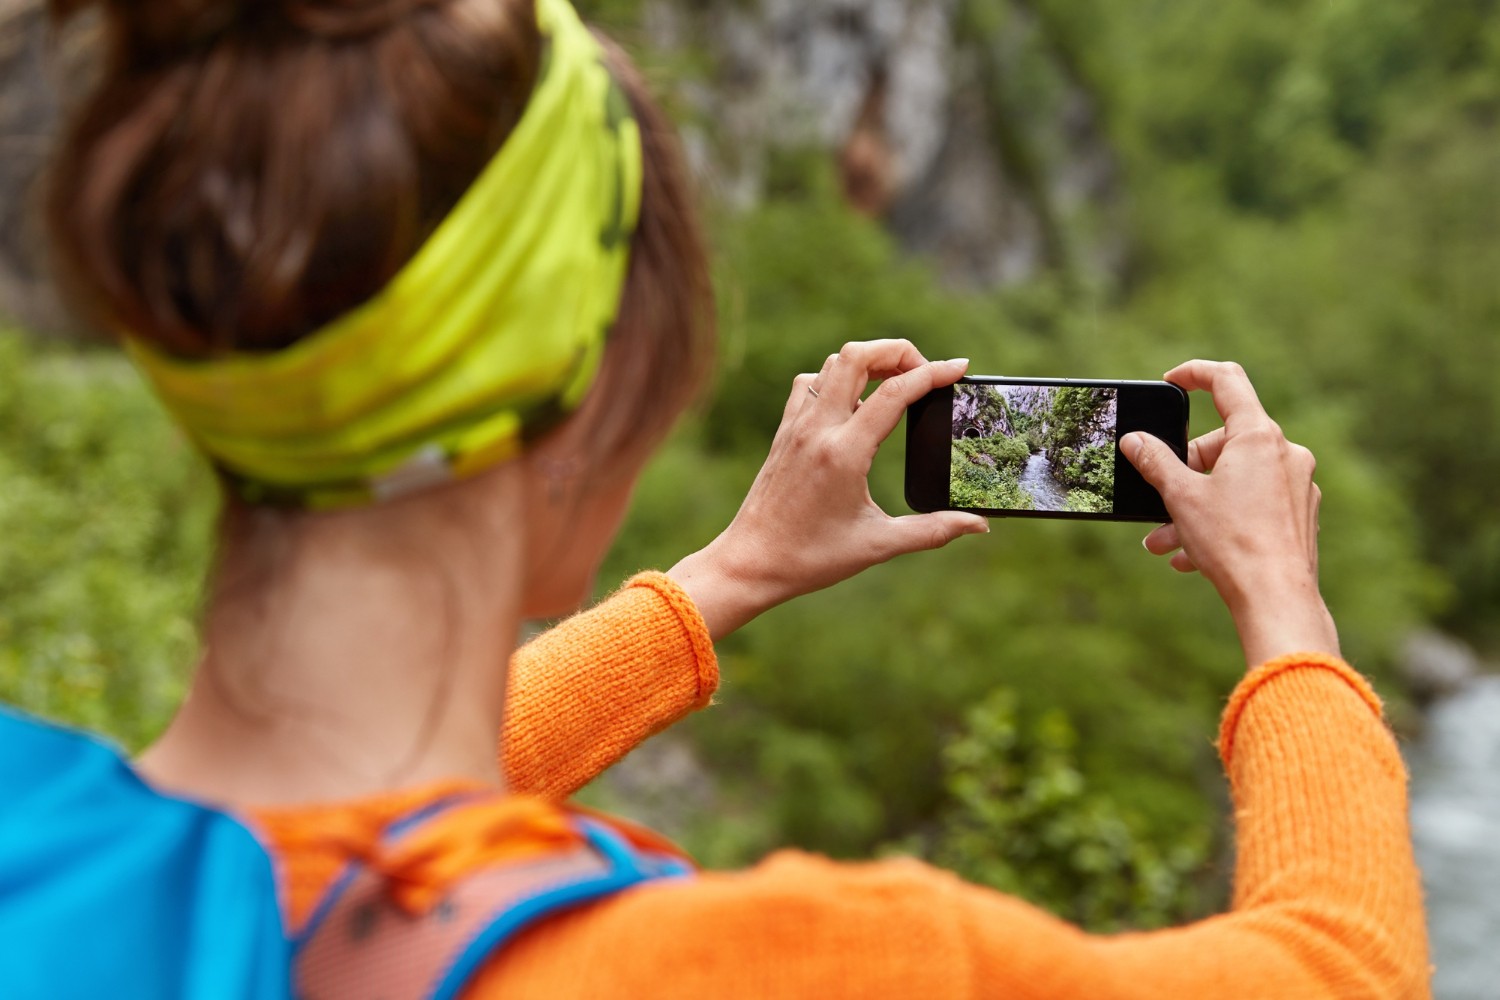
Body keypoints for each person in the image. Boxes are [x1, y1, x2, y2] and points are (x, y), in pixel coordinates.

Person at [38, 0, 1429, 995]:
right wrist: (1288, 618)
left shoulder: (36, 843)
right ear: (593, 401)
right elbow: (1342, 968)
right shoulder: (791, 966)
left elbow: (323, 829)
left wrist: (731, 574)